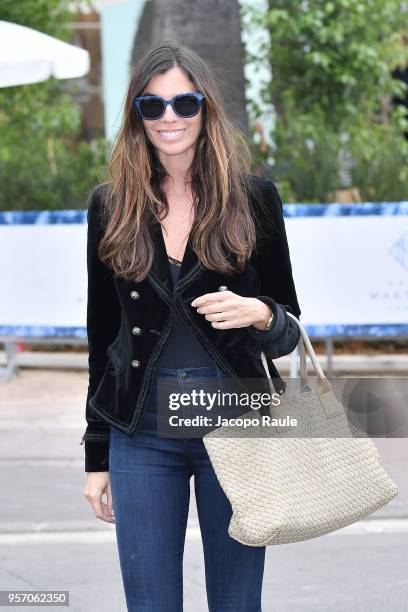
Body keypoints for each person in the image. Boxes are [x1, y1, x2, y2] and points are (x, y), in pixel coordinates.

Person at [82, 41, 301, 612]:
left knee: (236, 600)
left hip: (237, 426)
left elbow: (287, 328)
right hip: (141, 435)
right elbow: (102, 339)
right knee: (149, 600)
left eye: (184, 102)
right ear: (136, 117)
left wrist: (262, 313)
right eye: (151, 107)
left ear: (206, 107)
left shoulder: (254, 199)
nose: (169, 117)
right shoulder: (112, 206)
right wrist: (97, 457)